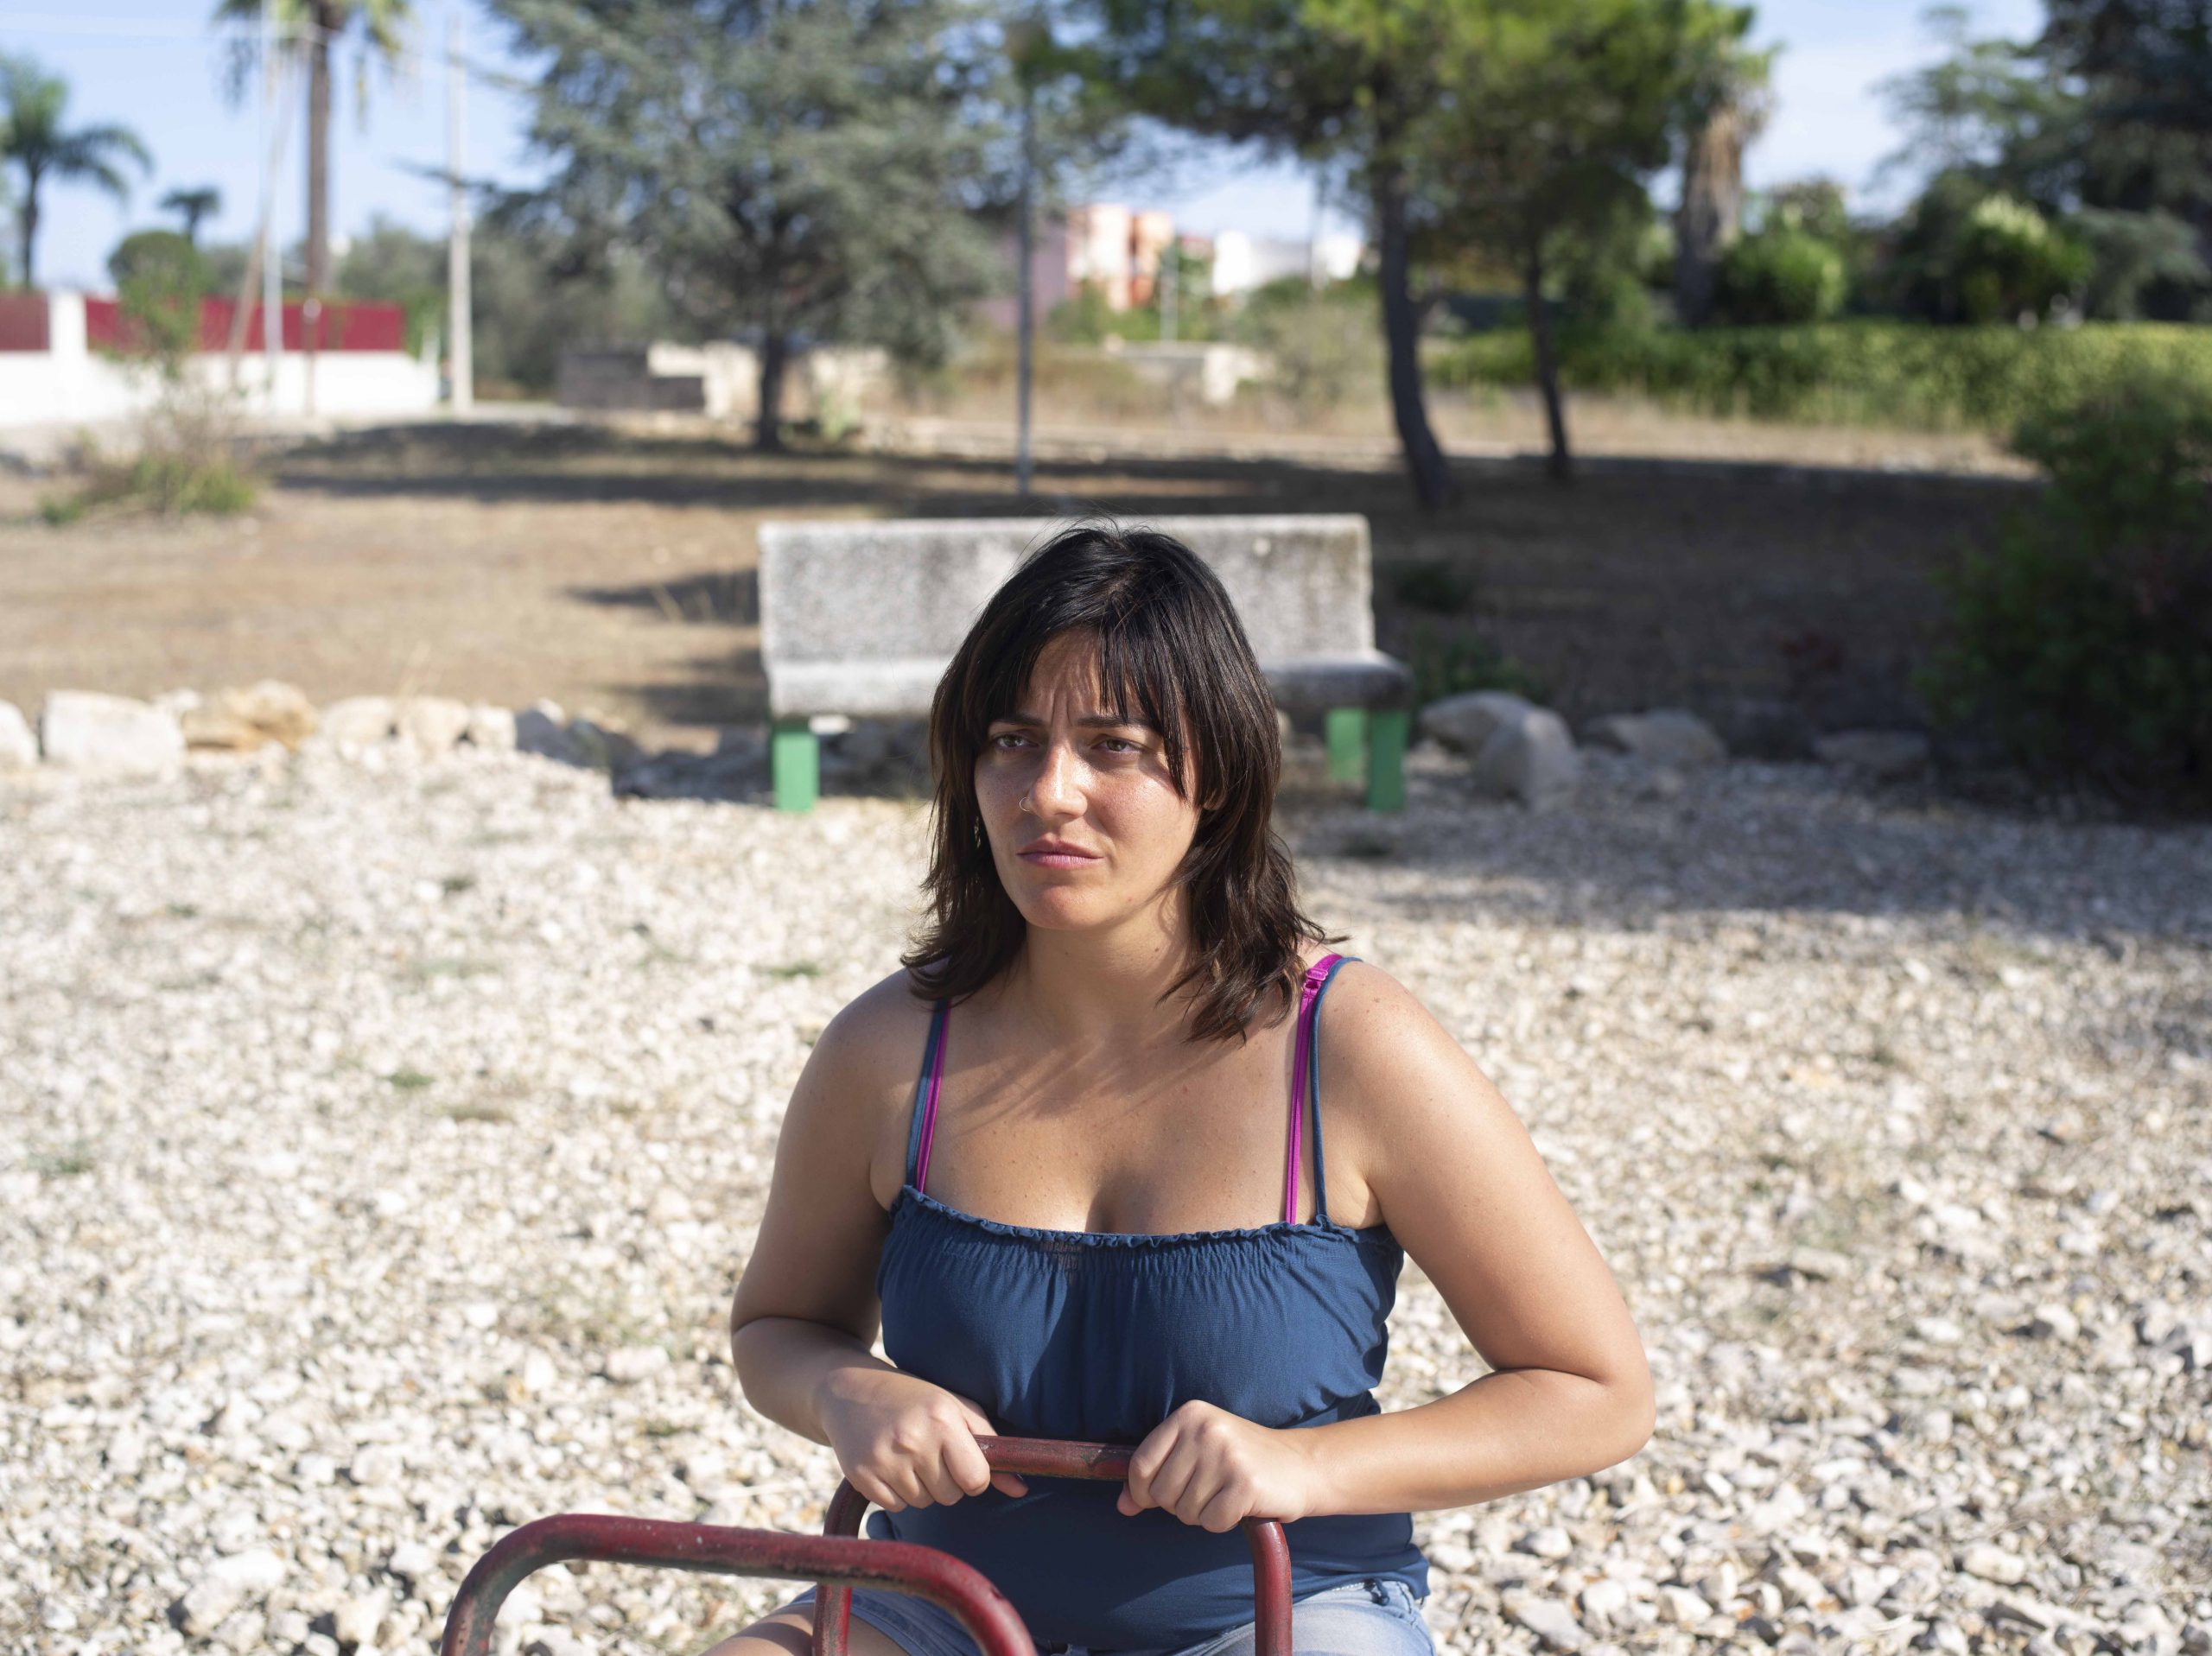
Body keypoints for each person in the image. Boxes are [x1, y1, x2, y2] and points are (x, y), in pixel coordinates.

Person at [708, 522, 1654, 1656]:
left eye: (1115, 746)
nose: (1050, 792)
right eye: (1013, 740)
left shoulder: (1351, 1047)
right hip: (936, 1612)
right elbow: (780, 1326)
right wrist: (844, 1391)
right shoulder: (889, 1047)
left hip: (1277, 1614)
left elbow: (1594, 1387)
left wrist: (1304, 1464)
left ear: (1219, 774)